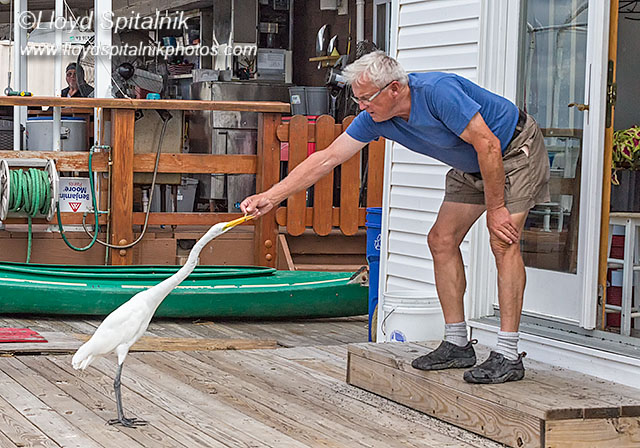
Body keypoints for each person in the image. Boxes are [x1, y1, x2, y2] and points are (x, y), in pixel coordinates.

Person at [240, 51, 550, 384]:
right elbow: (327, 158)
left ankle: (507, 353)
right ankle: (458, 343)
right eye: (357, 99)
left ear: (394, 89)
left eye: (365, 98)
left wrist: (497, 207)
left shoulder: (438, 92)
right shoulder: (375, 118)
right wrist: (270, 197)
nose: (360, 106)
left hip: (513, 151)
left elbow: (487, 143)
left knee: (502, 241)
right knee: (441, 240)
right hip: (472, 163)